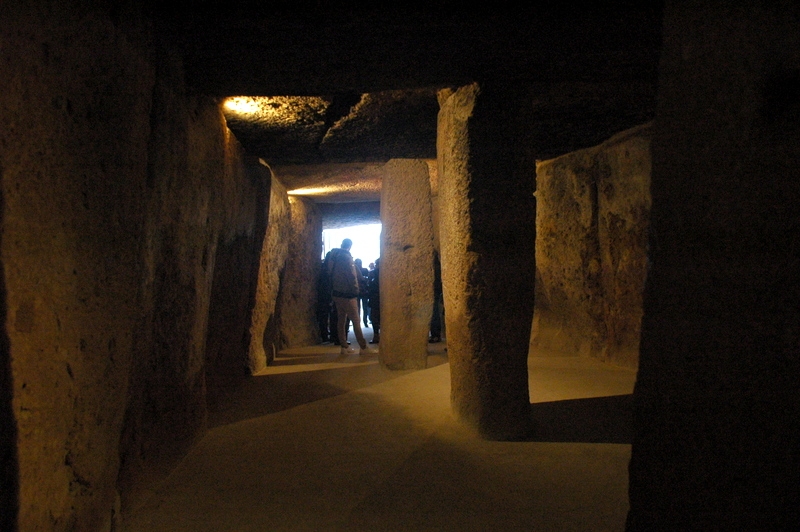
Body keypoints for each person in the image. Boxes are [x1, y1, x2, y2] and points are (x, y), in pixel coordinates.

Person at [328, 239, 378, 355]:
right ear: (350, 246)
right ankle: (364, 347)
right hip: (348, 294)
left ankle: (344, 346)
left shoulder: (334, 257)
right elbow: (352, 275)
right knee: (356, 321)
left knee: (341, 320)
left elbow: (330, 273)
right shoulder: (347, 257)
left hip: (337, 293)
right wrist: (356, 290)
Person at [367, 258, 381, 344]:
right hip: (378, 298)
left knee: (375, 318)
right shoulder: (387, 273)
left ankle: (376, 336)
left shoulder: (373, 273)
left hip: (374, 298)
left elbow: (370, 285)